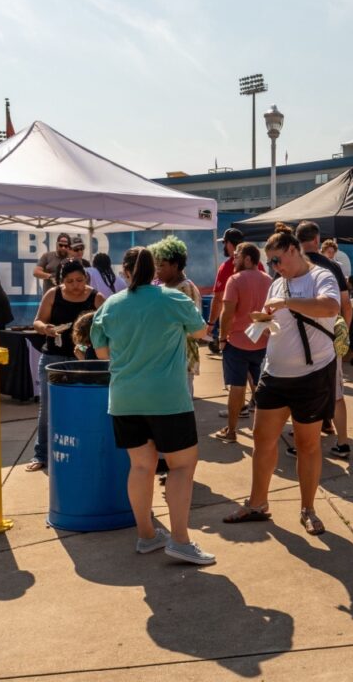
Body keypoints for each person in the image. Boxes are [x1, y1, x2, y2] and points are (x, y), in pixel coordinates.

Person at [90, 246, 212, 564]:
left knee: (141, 467)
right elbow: (200, 331)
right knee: (182, 466)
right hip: (168, 398)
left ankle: (146, 536)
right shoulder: (173, 299)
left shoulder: (110, 305)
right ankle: (180, 541)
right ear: (155, 271)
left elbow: (101, 354)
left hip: (124, 399)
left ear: (126, 272)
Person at [223, 223, 341, 534]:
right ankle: (257, 503)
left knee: (307, 445)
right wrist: (263, 322)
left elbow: (331, 307)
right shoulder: (277, 283)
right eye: (271, 263)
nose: (275, 267)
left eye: (277, 260)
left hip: (311, 374)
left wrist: (288, 303)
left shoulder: (320, 277)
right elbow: (279, 321)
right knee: (263, 440)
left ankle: (308, 509)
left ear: (293, 249)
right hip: (274, 373)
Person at [26, 258, 106, 471]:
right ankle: (40, 454)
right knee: (47, 409)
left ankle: (84, 451)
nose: (75, 286)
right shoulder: (53, 294)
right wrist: (46, 329)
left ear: (86, 278)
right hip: (53, 357)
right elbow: (37, 321)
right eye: (70, 281)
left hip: (85, 361)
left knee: (84, 408)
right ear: (62, 281)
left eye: (79, 280)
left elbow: (112, 323)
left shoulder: (96, 297)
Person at [296, 221, 353, 457]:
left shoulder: (293, 266)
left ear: (297, 241)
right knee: (336, 392)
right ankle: (342, 441)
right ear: (317, 240)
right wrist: (343, 334)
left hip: (299, 339)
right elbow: (347, 306)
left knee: (301, 392)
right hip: (330, 338)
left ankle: (303, 442)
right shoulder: (333, 266)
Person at [214, 243, 272, 443]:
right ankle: (266, 432)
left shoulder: (235, 279)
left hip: (237, 343)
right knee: (261, 386)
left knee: (236, 387)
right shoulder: (269, 280)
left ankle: (231, 431)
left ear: (248, 259)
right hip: (262, 341)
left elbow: (227, 312)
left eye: (237, 256)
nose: (234, 260)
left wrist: (222, 338)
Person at [152, 236, 205, 395]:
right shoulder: (164, 286)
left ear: (175, 266)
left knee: (181, 404)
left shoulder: (185, 289)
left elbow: (192, 329)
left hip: (182, 358)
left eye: (161, 266)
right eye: (156, 266)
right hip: (165, 358)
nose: (157, 270)